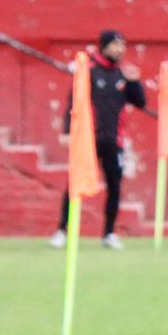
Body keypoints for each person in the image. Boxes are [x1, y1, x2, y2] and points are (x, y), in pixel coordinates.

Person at [49, 30, 145, 250]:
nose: (120, 49)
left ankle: (109, 233)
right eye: (116, 44)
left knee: (115, 186)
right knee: (75, 184)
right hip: (88, 140)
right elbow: (73, 101)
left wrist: (134, 82)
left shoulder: (123, 75)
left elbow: (139, 102)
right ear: (104, 46)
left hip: (114, 141)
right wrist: (67, 131)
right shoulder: (89, 71)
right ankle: (62, 231)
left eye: (123, 45)